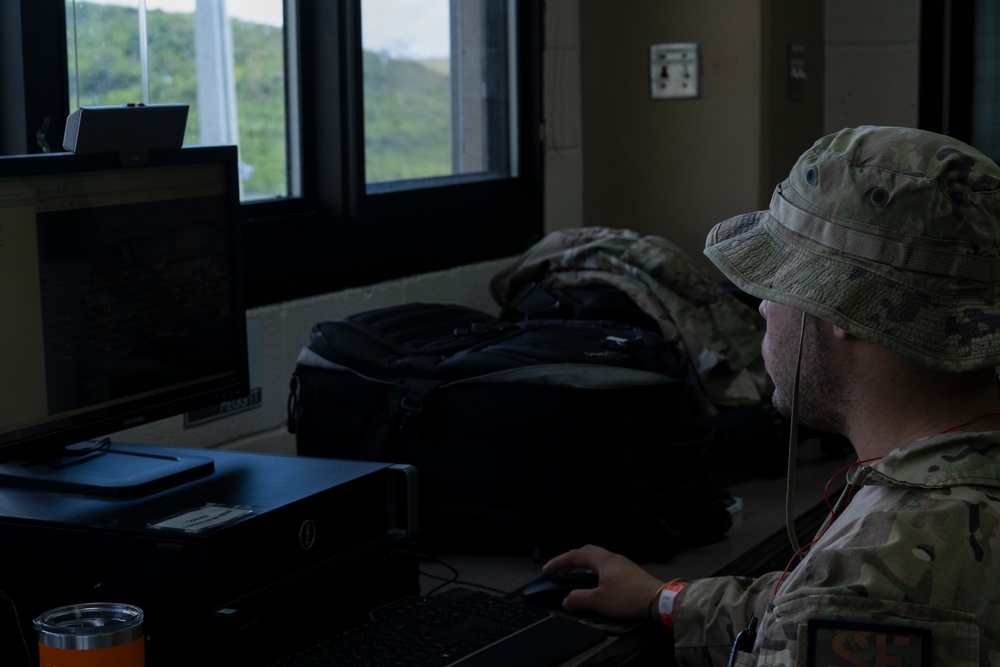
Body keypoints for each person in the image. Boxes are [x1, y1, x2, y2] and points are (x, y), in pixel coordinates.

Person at [542, 126, 1000, 666]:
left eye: (777, 282)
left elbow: (845, 606)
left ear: (844, 306)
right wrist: (663, 599)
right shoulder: (954, 483)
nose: (762, 308)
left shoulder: (866, 584)